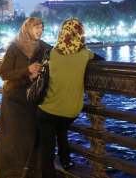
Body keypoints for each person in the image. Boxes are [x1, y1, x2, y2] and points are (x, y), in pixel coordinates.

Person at [37, 18, 95, 177]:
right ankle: (66, 159)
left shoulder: (53, 52)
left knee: (47, 150)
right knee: (61, 127)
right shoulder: (84, 54)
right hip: (71, 111)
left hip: (47, 110)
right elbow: (97, 58)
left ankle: (50, 171)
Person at [0, 17, 51, 178]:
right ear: (27, 29)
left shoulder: (43, 48)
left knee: (29, 138)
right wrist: (27, 70)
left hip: (32, 99)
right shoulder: (15, 47)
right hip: (13, 100)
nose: (40, 30)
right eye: (36, 27)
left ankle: (28, 172)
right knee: (11, 139)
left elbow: (60, 53)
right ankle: (8, 172)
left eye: (41, 27)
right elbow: (4, 73)